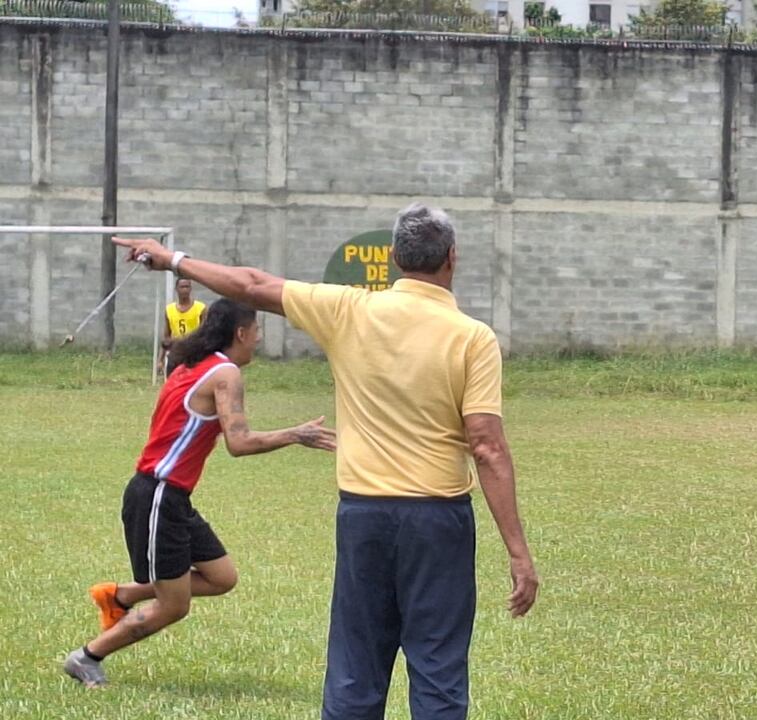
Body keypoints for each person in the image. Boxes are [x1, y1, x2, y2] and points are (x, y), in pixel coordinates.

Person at [112, 202, 539, 720]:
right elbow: (488, 447)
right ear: (452, 258)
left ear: (394, 258)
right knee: (438, 668)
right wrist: (517, 551)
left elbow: (250, 284)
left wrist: (174, 259)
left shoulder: (349, 309)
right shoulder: (472, 337)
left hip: (363, 517)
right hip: (438, 519)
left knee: (356, 668)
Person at [63, 299, 337, 688]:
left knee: (222, 576)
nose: (258, 340)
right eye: (257, 331)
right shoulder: (225, 374)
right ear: (241, 333)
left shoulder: (193, 364)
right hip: (159, 494)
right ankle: (87, 657)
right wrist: (297, 434)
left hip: (169, 496)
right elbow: (238, 443)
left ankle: (121, 596)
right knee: (174, 605)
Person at [161, 278, 207, 376]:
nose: (185, 290)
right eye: (182, 287)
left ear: (191, 289)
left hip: (193, 353)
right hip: (175, 353)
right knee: (173, 382)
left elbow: (205, 333)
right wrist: (160, 359)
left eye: (187, 287)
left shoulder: (201, 308)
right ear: (176, 289)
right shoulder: (169, 309)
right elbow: (166, 337)